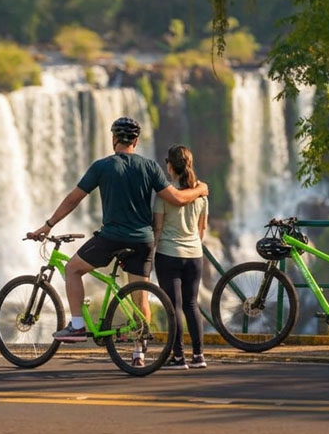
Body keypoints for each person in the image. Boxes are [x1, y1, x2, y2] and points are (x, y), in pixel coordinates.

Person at [28, 117, 209, 367]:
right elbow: (177, 198)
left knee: (72, 269)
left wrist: (48, 226)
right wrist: (200, 190)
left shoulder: (102, 166)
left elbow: (73, 199)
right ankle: (138, 354)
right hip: (144, 240)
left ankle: (78, 325)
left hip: (112, 237)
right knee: (140, 297)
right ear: (136, 141)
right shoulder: (151, 167)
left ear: (114, 139)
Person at [153, 145, 208, 369]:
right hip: (195, 254)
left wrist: (149, 254)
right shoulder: (201, 194)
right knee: (192, 304)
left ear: (170, 165)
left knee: (173, 306)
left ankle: (178, 357)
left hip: (168, 253)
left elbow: (157, 229)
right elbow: (202, 228)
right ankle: (199, 356)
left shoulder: (164, 195)